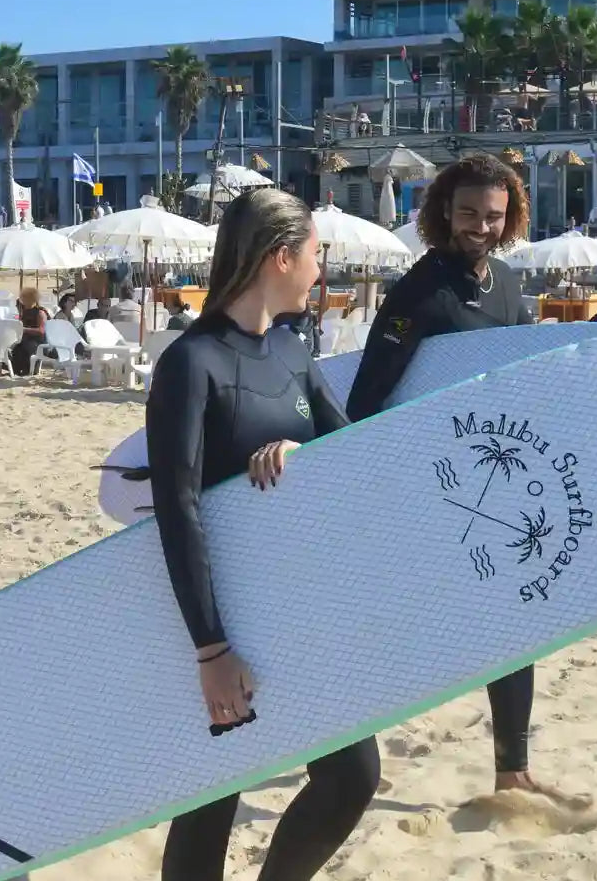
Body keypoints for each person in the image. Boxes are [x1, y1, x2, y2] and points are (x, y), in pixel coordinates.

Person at [147, 189, 379, 881]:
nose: (318, 270)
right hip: (224, 619)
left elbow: (359, 460)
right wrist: (211, 646)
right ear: (281, 257)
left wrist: (302, 461)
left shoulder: (291, 353)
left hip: (302, 613)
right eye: (314, 255)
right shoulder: (191, 364)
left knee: (352, 774)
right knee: (213, 795)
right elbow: (177, 507)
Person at [346, 151, 587, 812]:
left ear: (509, 218)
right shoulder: (420, 293)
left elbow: (520, 384)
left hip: (494, 481)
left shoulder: (507, 285)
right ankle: (336, 756)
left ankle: (513, 770)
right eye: (468, 213)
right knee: (395, 624)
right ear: (443, 213)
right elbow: (369, 395)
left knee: (517, 624)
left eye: (494, 215)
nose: (481, 225)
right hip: (429, 484)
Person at [11, 286, 49, 375]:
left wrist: (25, 330)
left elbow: (41, 331)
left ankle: (28, 368)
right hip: (26, 340)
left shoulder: (40, 313)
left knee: (24, 347)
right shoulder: (24, 312)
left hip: (38, 342)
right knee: (16, 347)